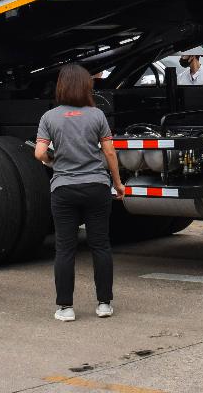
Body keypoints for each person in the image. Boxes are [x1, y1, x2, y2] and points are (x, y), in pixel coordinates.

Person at [35, 63, 125, 322]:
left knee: (64, 248)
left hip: (64, 189)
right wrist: (117, 183)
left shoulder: (49, 117)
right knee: (100, 245)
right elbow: (109, 152)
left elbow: (40, 153)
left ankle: (65, 307)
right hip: (96, 186)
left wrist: (53, 162)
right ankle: (104, 304)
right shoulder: (97, 115)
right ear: (87, 86)